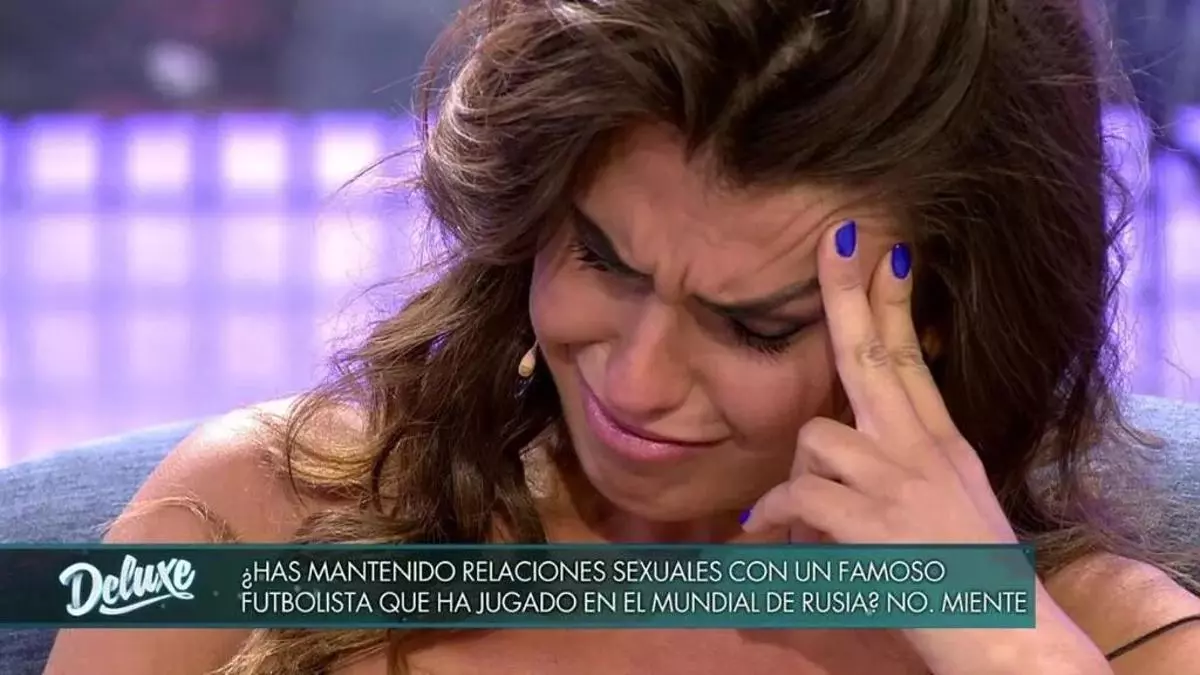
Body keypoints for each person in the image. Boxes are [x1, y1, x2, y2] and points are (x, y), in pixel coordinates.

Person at [44, 0, 1200, 673]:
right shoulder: (247, 514)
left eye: (753, 326)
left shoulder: (1106, 637)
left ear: (939, 321)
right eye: (603, 260)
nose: (639, 383)